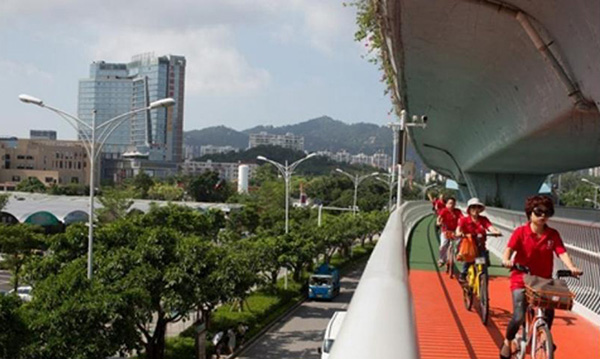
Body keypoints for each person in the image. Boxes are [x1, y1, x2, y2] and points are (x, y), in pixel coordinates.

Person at [499, 195, 582, 359]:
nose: (543, 216)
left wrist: (571, 267)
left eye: (547, 212)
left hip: (543, 281)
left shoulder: (552, 234)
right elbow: (509, 250)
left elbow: (561, 252)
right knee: (518, 316)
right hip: (521, 278)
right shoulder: (520, 232)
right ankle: (508, 341)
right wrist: (506, 260)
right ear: (530, 213)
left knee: (549, 311)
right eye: (539, 212)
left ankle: (544, 335)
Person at [455, 197, 502, 281]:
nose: (475, 209)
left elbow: (490, 227)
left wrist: (495, 231)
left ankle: (483, 284)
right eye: (473, 207)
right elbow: (458, 229)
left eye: (478, 207)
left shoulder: (483, 219)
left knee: (482, 264)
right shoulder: (464, 220)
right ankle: (463, 273)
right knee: (469, 260)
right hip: (469, 246)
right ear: (469, 209)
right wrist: (459, 233)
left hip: (480, 246)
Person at [436, 197, 463, 267]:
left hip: (455, 231)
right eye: (450, 203)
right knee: (443, 245)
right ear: (446, 204)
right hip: (445, 230)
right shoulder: (444, 211)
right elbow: (439, 218)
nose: (452, 205)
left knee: (459, 242)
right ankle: (442, 259)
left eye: (453, 204)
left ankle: (457, 254)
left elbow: (462, 218)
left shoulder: (458, 211)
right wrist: (438, 222)